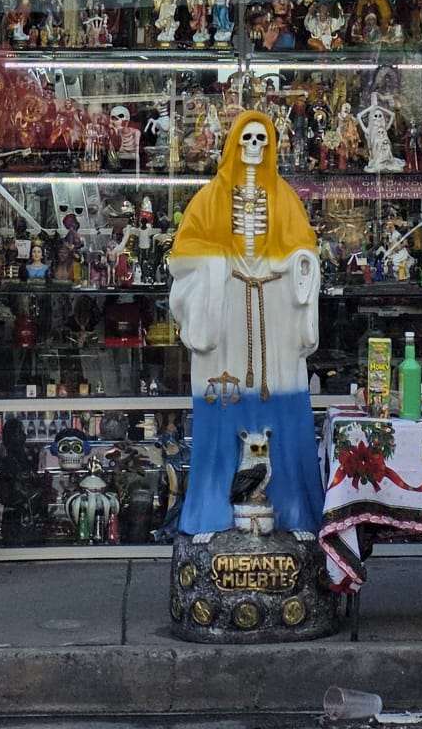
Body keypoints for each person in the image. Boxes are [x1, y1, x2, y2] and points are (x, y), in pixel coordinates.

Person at [167, 110, 324, 535]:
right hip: (226, 306)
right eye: (247, 139)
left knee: (282, 404)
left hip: (274, 307)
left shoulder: (285, 198)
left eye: (262, 140)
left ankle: (290, 508)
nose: (254, 147)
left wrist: (296, 264)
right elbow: (182, 255)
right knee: (223, 403)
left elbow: (306, 252)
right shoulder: (209, 199)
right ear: (233, 144)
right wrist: (218, 265)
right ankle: (214, 508)